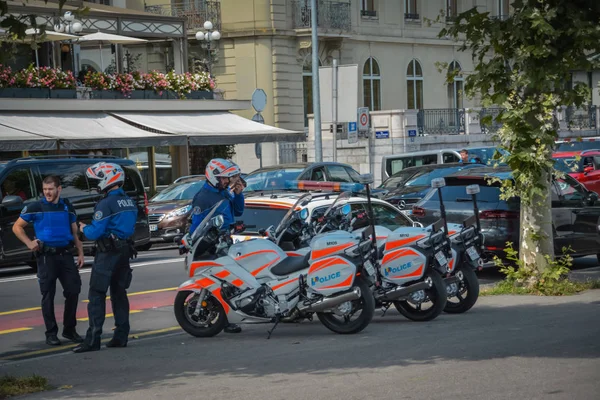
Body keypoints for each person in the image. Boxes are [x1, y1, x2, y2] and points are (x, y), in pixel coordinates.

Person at [73, 162, 138, 353]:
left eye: (97, 180)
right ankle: (121, 336)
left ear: (107, 179)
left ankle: (93, 339)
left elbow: (95, 233)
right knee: (119, 294)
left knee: (96, 294)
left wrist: (83, 228)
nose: (95, 185)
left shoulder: (106, 203)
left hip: (108, 253)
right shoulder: (129, 201)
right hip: (125, 251)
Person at [12, 175, 85, 346]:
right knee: (48, 295)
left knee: (73, 291)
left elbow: (74, 232)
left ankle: (69, 330)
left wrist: (81, 252)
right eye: (45, 189)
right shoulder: (35, 206)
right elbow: (17, 226)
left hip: (66, 255)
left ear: (59, 189)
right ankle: (51, 333)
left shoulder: (67, 206)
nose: (47, 193)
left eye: (50, 189)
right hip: (46, 257)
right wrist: (29, 243)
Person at [188, 158, 245, 334]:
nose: (227, 181)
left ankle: (232, 315)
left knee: (232, 279)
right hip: (212, 243)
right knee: (220, 281)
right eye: (224, 178)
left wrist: (238, 193)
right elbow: (196, 226)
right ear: (213, 177)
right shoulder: (203, 197)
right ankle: (225, 320)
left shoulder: (224, 192)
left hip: (226, 239)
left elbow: (238, 211)